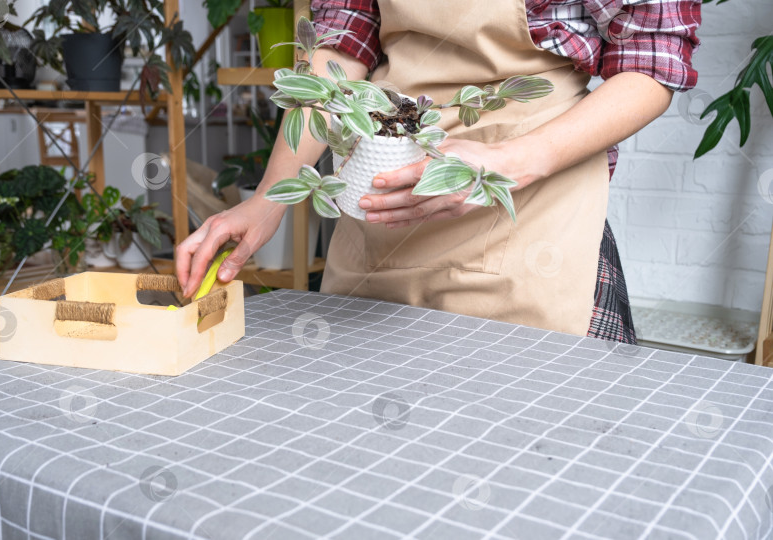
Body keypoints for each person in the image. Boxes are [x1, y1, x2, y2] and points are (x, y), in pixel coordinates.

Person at [177, 0, 701, 344]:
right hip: (383, 206)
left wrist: (508, 164)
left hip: (534, 215)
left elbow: (650, 65)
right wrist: (268, 199)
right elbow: (342, 50)